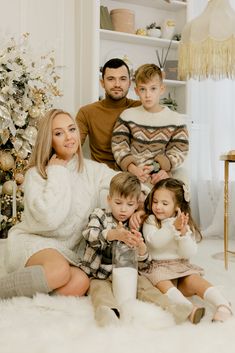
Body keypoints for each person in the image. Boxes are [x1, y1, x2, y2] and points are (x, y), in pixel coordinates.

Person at [0, 109, 118, 299]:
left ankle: (25, 293)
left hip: (65, 251)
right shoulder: (37, 174)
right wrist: (57, 172)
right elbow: (49, 220)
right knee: (59, 270)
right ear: (49, 140)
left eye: (72, 129)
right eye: (58, 133)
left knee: (80, 282)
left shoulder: (93, 170)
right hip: (32, 242)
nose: (69, 137)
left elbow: (124, 182)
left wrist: (144, 199)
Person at [80, 172, 191, 327]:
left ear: (137, 204)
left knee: (145, 286)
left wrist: (141, 248)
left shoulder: (134, 224)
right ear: (109, 200)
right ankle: (108, 313)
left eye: (130, 205)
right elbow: (90, 235)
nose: (123, 210)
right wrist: (113, 234)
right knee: (100, 291)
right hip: (99, 275)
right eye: (118, 203)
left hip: (127, 275)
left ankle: (172, 308)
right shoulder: (100, 215)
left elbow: (145, 263)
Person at [141, 178, 233, 323]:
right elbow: (155, 242)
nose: (158, 207)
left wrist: (183, 234)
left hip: (179, 266)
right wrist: (172, 228)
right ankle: (189, 308)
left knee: (195, 280)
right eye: (155, 201)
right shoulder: (151, 220)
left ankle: (223, 305)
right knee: (162, 283)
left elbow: (188, 253)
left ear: (177, 206)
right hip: (158, 268)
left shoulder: (182, 222)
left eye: (165, 203)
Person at [112, 63, 189, 186]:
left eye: (153, 88)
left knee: (169, 194)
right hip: (132, 173)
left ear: (162, 89)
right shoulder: (127, 116)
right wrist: (133, 169)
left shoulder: (176, 119)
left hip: (159, 172)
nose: (148, 95)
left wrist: (159, 169)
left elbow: (179, 151)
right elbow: (119, 146)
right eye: (143, 89)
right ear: (136, 91)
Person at [76, 58, 141, 170]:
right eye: (111, 79)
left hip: (136, 173)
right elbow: (73, 147)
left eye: (123, 79)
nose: (117, 84)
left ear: (129, 83)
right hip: (102, 175)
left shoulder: (140, 108)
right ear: (102, 82)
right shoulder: (86, 112)